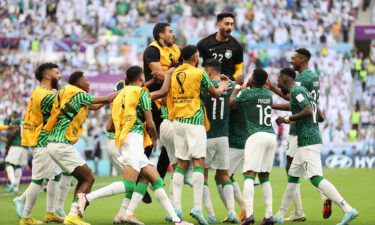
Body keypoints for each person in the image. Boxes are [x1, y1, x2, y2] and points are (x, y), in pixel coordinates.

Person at [83, 66, 192, 225]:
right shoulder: (142, 94)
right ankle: (87, 198)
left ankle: (176, 220)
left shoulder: (121, 95)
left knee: (155, 181)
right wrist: (154, 138)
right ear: (141, 78)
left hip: (123, 140)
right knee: (130, 183)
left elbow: (109, 128)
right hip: (133, 141)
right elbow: (150, 122)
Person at [273, 69, 358, 225]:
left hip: (308, 141)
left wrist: (286, 119)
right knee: (292, 177)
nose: (277, 84)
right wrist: (301, 120)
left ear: (285, 79)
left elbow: (307, 111)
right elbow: (319, 115)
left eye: (278, 80)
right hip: (308, 139)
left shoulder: (296, 91)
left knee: (315, 178)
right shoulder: (305, 91)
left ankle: (348, 209)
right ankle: (280, 214)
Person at [44, 71, 119, 225]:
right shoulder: (78, 93)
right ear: (79, 83)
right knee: (88, 178)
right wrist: (127, 89)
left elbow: (95, 106)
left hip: (54, 143)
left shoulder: (67, 92)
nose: (89, 85)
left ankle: (63, 210)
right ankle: (72, 216)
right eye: (87, 82)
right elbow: (105, 98)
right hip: (61, 144)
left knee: (78, 177)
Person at [168, 45, 229, 225]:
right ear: (195, 58)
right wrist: (223, 86)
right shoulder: (199, 74)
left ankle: (176, 207)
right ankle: (196, 207)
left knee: (180, 163)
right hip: (194, 121)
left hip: (177, 121)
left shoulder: (175, 72)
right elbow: (215, 93)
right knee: (198, 163)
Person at [268, 49, 328, 221]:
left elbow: (295, 102)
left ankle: (306, 206)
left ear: (302, 59)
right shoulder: (314, 76)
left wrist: (273, 93)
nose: (291, 60)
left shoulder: (300, 79)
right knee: (301, 166)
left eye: (294, 58)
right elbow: (307, 102)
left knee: (293, 167)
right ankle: (303, 208)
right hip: (311, 123)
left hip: (300, 127)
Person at [11, 63, 68, 225]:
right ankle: (26, 217)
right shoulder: (46, 95)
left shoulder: (42, 92)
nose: (60, 75)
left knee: (56, 175)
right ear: (48, 76)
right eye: (57, 73)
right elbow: (66, 107)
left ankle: (50, 213)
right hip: (43, 141)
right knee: (38, 179)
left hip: (49, 140)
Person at [229, 69, 277, 225]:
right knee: (265, 177)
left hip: (256, 136)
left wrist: (238, 86)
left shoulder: (248, 94)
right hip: (271, 135)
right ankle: (269, 215)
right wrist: (252, 84)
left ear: (253, 79)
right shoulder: (268, 94)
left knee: (249, 176)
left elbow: (231, 102)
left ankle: (249, 214)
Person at [201, 59, 239, 224]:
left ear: (208, 72)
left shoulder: (204, 87)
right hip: (223, 137)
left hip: (206, 137)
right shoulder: (230, 86)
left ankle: (210, 215)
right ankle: (232, 213)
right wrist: (231, 81)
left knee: (203, 176)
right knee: (224, 175)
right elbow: (240, 85)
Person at [142, 22, 181, 181]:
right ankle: (140, 179)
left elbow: (178, 70)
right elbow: (159, 75)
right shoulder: (152, 50)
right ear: (161, 35)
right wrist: (178, 77)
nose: (173, 34)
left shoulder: (176, 49)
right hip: (151, 100)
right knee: (149, 143)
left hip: (167, 100)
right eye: (170, 32)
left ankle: (158, 178)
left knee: (169, 140)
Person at [197, 12, 243, 80]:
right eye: (226, 24)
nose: (230, 27)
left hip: (228, 84)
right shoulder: (204, 43)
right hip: (209, 83)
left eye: (232, 24)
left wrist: (232, 80)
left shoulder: (237, 46)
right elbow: (195, 64)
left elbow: (239, 69)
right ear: (219, 25)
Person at [4, 111, 27, 194]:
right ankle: (16, 188)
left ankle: (13, 182)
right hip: (25, 146)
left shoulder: (16, 120)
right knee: (18, 166)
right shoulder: (27, 121)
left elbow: (10, 127)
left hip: (17, 144)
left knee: (8, 163)